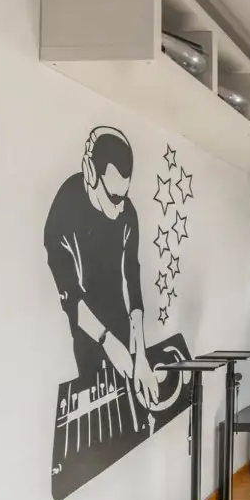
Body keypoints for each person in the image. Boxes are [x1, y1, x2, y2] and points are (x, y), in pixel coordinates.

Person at [44, 126, 160, 408]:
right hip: (86, 329)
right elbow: (70, 297)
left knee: (132, 407)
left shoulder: (127, 212)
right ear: (90, 172)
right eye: (114, 198)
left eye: (124, 196)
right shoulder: (63, 211)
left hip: (119, 320)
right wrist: (106, 341)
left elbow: (132, 278)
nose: (120, 209)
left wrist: (141, 354)